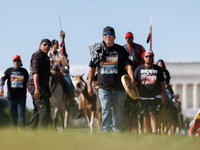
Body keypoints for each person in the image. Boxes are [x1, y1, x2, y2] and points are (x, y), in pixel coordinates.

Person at [87, 26, 134, 132]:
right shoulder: (97, 50)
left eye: (110, 34)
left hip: (119, 87)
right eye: (105, 35)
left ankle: (118, 132)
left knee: (118, 111)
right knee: (105, 109)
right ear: (103, 37)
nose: (108, 36)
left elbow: (128, 66)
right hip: (104, 87)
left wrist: (132, 79)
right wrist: (89, 85)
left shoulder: (121, 50)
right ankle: (105, 132)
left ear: (114, 37)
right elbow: (92, 69)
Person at [134, 51, 168, 134]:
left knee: (153, 113)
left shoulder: (158, 69)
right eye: (146, 56)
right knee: (145, 114)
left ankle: (154, 132)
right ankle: (148, 133)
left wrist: (165, 96)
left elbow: (162, 84)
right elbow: (135, 83)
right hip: (142, 96)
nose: (148, 58)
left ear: (153, 57)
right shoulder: (139, 69)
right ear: (143, 57)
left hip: (155, 96)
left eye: (150, 56)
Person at [123, 32, 146, 133]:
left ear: (133, 38)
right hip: (126, 75)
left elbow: (145, 57)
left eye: (130, 38)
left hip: (138, 74)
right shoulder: (123, 48)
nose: (128, 39)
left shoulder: (139, 47)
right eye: (127, 38)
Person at [27, 39, 51, 129]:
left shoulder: (45, 57)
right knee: (45, 111)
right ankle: (42, 135)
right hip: (37, 86)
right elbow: (35, 73)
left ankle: (30, 135)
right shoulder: (38, 56)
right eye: (44, 44)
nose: (47, 46)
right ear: (40, 46)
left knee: (37, 112)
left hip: (43, 86)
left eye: (49, 45)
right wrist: (37, 88)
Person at [0, 55, 29, 128]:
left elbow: (29, 82)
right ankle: (14, 129)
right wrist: (1, 88)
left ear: (20, 62)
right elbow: (2, 79)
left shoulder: (24, 71)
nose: (16, 62)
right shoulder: (9, 71)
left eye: (18, 60)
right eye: (14, 60)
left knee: (21, 114)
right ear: (12, 62)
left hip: (21, 97)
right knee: (13, 115)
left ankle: (21, 130)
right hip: (11, 97)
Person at [48, 39, 75, 104]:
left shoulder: (60, 54)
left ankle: (71, 97)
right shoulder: (48, 54)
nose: (57, 45)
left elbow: (64, 63)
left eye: (57, 44)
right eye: (56, 44)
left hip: (59, 72)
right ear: (52, 45)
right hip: (50, 72)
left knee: (68, 82)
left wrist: (65, 61)